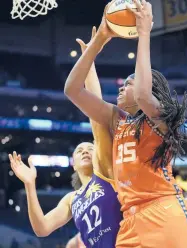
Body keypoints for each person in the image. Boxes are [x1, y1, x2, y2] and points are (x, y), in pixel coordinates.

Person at [64, 0, 187, 247]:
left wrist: (144, 33)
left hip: (163, 212)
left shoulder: (161, 119)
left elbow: (141, 95)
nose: (122, 87)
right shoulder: (117, 119)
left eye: (128, 83)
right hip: (129, 221)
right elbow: (72, 90)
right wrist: (99, 41)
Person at [9, 27, 122, 248]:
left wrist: (89, 61)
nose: (85, 151)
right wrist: (30, 184)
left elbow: (96, 114)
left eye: (89, 147)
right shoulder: (72, 200)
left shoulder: (107, 173)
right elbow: (41, 229)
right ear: (73, 163)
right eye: (79, 150)